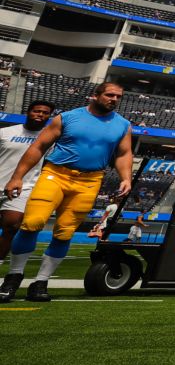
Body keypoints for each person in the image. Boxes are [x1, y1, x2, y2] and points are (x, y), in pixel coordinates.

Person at [0, 82, 132, 303]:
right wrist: (17, 177)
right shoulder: (68, 117)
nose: (114, 99)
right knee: (32, 222)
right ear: (96, 95)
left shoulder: (123, 125)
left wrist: (126, 177)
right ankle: (13, 278)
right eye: (110, 95)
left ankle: (41, 282)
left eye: (119, 96)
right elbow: (38, 147)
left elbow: (124, 153)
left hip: (90, 180)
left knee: (65, 232)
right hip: (55, 174)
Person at [0, 100, 54, 292]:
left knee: (12, 225)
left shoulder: (49, 139)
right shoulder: (6, 132)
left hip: (23, 188)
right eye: (37, 111)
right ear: (28, 112)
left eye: (45, 113)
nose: (40, 114)